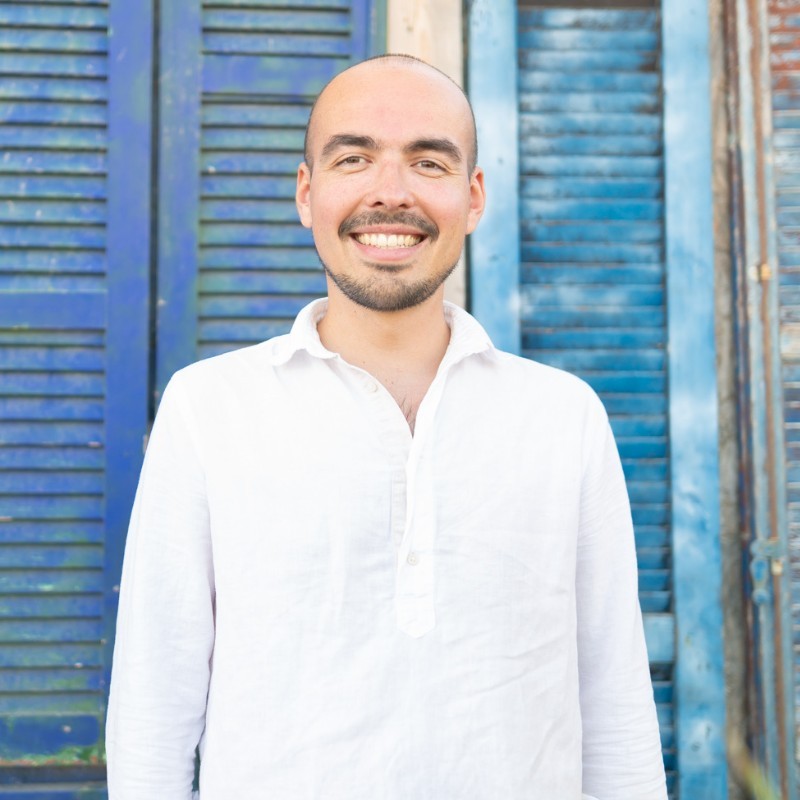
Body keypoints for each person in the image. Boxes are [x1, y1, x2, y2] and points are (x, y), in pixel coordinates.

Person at [106, 54, 667, 799]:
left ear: (473, 197)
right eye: (354, 158)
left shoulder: (564, 418)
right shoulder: (208, 409)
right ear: (307, 193)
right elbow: (154, 708)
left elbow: (616, 708)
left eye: (428, 162)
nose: (391, 192)